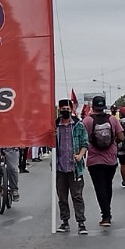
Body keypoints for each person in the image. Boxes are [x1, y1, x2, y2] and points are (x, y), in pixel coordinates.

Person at [82, 95, 123, 227]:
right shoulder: (112, 119)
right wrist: (113, 143)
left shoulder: (87, 121)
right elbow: (121, 136)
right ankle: (107, 212)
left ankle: (106, 216)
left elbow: (82, 139)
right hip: (111, 159)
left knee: (99, 187)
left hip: (94, 160)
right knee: (107, 185)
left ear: (93, 106)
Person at [54, 99, 89, 234]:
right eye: (63, 109)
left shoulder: (78, 126)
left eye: (67, 109)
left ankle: (81, 223)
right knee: (62, 197)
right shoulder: (55, 126)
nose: (65, 111)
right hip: (60, 168)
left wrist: (80, 155)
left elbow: (85, 144)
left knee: (77, 196)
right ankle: (65, 222)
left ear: (71, 110)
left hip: (75, 169)